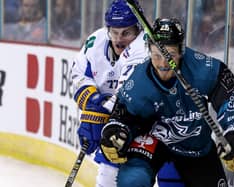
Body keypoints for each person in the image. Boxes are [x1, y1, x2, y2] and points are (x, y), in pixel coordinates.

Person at [100, 18, 234, 187]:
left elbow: (231, 98)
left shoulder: (204, 68)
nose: (163, 64)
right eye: (157, 55)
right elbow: (121, 117)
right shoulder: (138, 82)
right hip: (154, 139)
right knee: (133, 180)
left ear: (181, 51)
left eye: (170, 55)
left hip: (195, 143)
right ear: (149, 51)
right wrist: (115, 132)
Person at [71, 1, 184, 186]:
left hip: (156, 120)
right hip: (122, 122)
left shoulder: (144, 48)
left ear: (138, 29)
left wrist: (98, 113)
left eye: (126, 33)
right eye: (114, 32)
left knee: (162, 176)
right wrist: (93, 100)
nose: (118, 39)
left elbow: (129, 94)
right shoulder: (96, 41)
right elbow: (78, 74)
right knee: (108, 174)